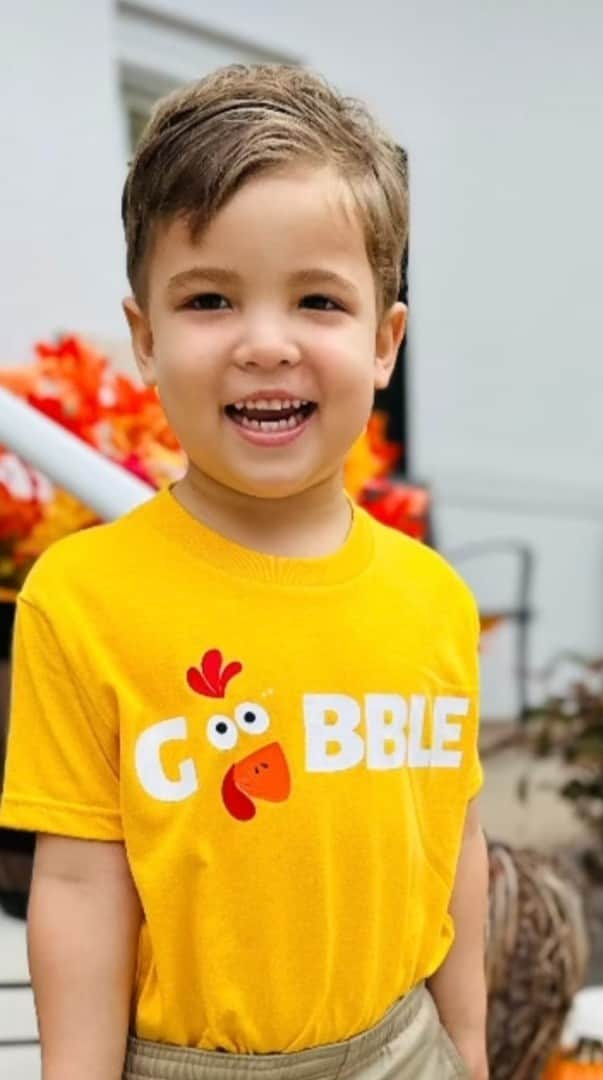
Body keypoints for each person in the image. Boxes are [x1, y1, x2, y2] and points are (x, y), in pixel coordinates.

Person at [0, 63, 488, 1080]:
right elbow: (83, 892)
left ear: (384, 340)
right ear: (145, 336)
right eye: (211, 299)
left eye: (318, 300)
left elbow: (454, 843)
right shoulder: (84, 599)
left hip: (407, 1050)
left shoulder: (433, 602)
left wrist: (470, 1046)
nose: (266, 344)